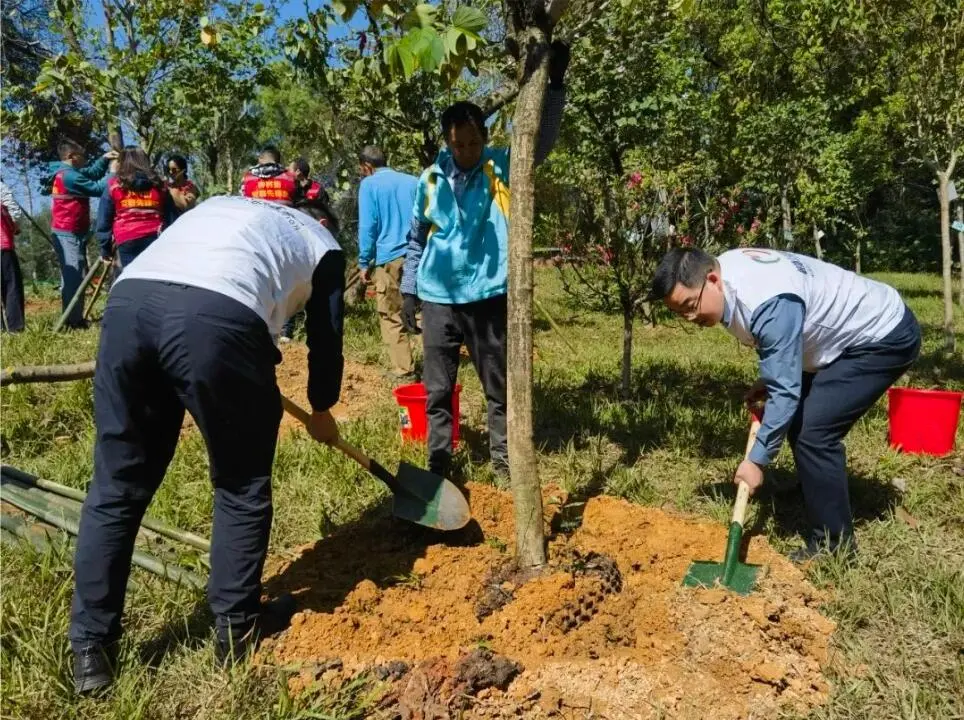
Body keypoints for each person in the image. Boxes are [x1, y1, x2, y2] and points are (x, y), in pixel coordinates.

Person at [68, 194, 345, 694]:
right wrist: (322, 408)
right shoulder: (323, 242)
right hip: (218, 315)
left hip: (129, 304)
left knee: (116, 486)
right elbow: (326, 336)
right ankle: (237, 629)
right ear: (322, 221)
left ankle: (91, 652)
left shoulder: (225, 204)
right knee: (241, 481)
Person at [648, 246, 921, 562]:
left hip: (882, 336)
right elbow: (779, 342)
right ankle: (815, 489)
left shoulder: (765, 302)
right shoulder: (729, 274)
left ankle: (835, 546)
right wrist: (774, 376)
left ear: (712, 280)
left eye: (690, 306)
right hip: (843, 332)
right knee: (797, 416)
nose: (690, 317)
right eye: (679, 312)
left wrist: (756, 461)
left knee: (814, 433)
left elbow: (785, 388)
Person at [400, 41, 570, 479]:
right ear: (447, 142)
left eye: (474, 142)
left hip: (488, 295)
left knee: (498, 386)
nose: (467, 151)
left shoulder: (501, 167)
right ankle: (439, 461)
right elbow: (416, 238)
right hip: (438, 297)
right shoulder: (429, 180)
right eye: (458, 144)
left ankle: (503, 462)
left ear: (485, 138)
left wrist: (554, 86)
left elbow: (541, 141)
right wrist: (408, 288)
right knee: (438, 387)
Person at [357, 145, 418, 381]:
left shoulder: (369, 185)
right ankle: (436, 366)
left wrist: (364, 261)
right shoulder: (412, 181)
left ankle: (404, 370)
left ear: (367, 166)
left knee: (391, 314)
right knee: (422, 310)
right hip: (418, 255)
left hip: (389, 258)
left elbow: (368, 226)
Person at [48, 139, 118, 329]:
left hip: (72, 232)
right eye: (82, 156)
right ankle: (73, 321)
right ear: (72, 156)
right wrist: (113, 172)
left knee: (73, 276)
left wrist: (104, 159)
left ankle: (72, 317)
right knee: (74, 277)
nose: (85, 160)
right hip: (67, 233)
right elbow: (98, 188)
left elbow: (92, 173)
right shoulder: (69, 177)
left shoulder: (69, 172)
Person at [96, 146, 176, 270]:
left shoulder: (114, 185)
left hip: (127, 238)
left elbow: (104, 219)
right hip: (156, 236)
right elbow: (171, 216)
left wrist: (105, 248)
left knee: (132, 274)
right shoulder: (159, 185)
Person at [0, 181, 25, 332]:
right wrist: (15, 226)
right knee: (11, 286)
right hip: (2, 244)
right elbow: (12, 208)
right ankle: (15, 328)